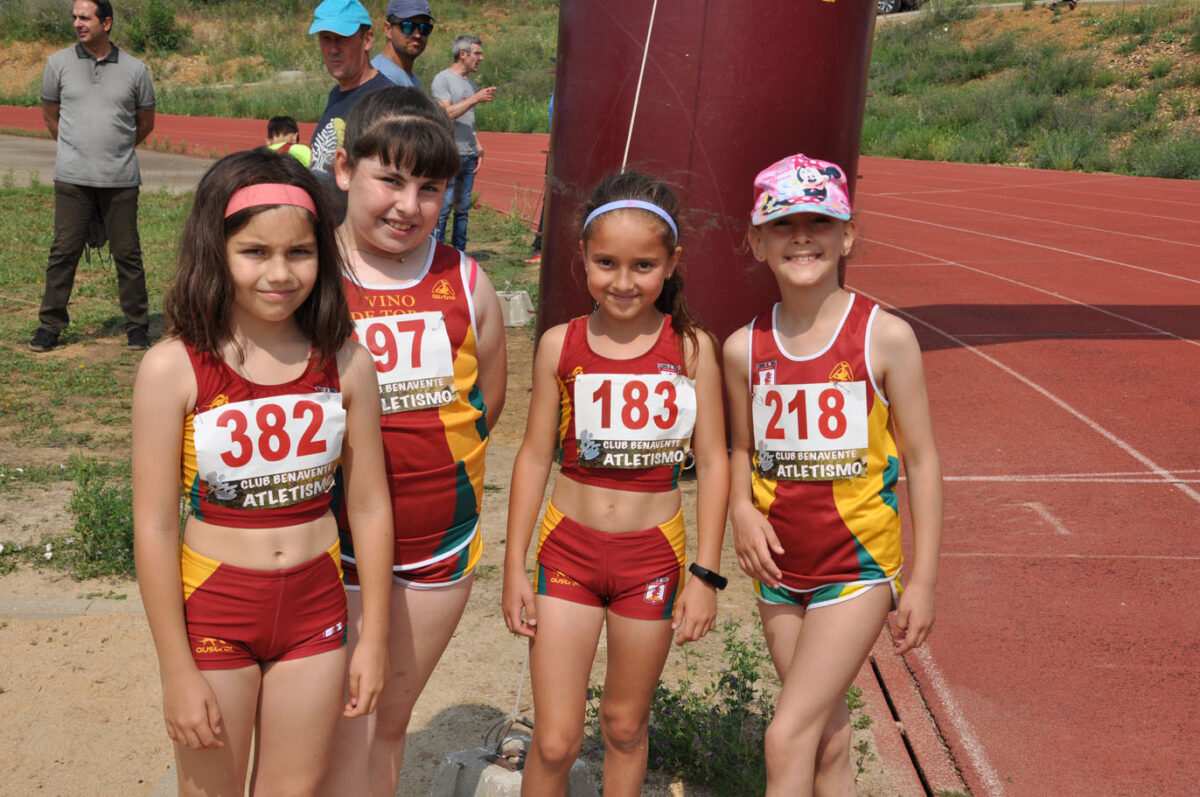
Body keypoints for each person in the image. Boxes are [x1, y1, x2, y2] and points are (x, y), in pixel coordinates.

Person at [131, 150, 394, 795]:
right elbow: (155, 527)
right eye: (254, 252)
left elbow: (368, 506)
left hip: (315, 610)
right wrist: (175, 670)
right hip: (216, 607)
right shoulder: (172, 368)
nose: (280, 273)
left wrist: (375, 638)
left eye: (299, 253)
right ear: (215, 252)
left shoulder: (348, 362)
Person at [722, 154, 943, 796]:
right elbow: (741, 448)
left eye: (819, 222)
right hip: (778, 572)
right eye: (783, 224)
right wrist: (740, 508)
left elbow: (923, 460)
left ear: (847, 235)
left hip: (857, 569)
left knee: (786, 735)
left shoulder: (886, 337)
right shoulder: (742, 348)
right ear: (757, 241)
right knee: (826, 740)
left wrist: (923, 581)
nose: (801, 237)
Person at [503, 173, 730, 796]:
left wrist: (706, 575)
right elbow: (533, 456)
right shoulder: (560, 344)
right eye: (606, 263)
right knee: (554, 740)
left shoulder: (692, 350)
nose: (623, 281)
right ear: (583, 257)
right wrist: (514, 566)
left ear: (671, 263)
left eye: (643, 266)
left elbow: (714, 462)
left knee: (625, 727)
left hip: (651, 557)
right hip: (568, 553)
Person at [320, 86, 507, 796]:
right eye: (391, 180)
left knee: (387, 724)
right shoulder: (307, 275)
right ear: (345, 170)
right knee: (332, 726)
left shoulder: (467, 279)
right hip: (330, 546)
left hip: (439, 546)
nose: (408, 205)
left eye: (430, 188)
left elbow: (487, 401)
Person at [30, 0, 155, 353]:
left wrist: (114, 150)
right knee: (63, 252)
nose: (77, 23)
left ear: (107, 23)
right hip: (72, 179)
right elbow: (50, 115)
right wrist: (75, 151)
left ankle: (137, 326)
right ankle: (50, 326)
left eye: (85, 17)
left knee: (128, 254)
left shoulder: (135, 70)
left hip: (121, 179)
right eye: (74, 17)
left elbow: (146, 122)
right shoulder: (57, 64)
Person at [309, 0, 394, 181]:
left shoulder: (386, 102)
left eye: (341, 38)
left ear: (367, 40)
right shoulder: (337, 94)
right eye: (326, 38)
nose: (333, 50)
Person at [431, 34, 496, 252]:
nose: (481, 58)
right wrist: (475, 98)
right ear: (463, 54)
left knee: (462, 210)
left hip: (468, 155)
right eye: (477, 53)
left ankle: (460, 255)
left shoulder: (469, 83)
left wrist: (477, 143)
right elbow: (446, 114)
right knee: (443, 209)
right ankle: (436, 254)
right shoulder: (443, 79)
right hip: (449, 154)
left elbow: (467, 119)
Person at [371, 0, 434, 89]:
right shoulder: (379, 80)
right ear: (388, 29)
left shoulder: (412, 80)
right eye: (408, 26)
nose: (417, 35)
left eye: (424, 28)